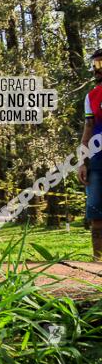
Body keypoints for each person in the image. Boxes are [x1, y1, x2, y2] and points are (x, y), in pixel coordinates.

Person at [78, 48, 102, 261]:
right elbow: (88, 128)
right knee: (95, 212)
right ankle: (98, 263)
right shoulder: (91, 96)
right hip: (97, 161)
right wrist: (82, 162)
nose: (96, 70)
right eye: (94, 65)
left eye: (100, 64)